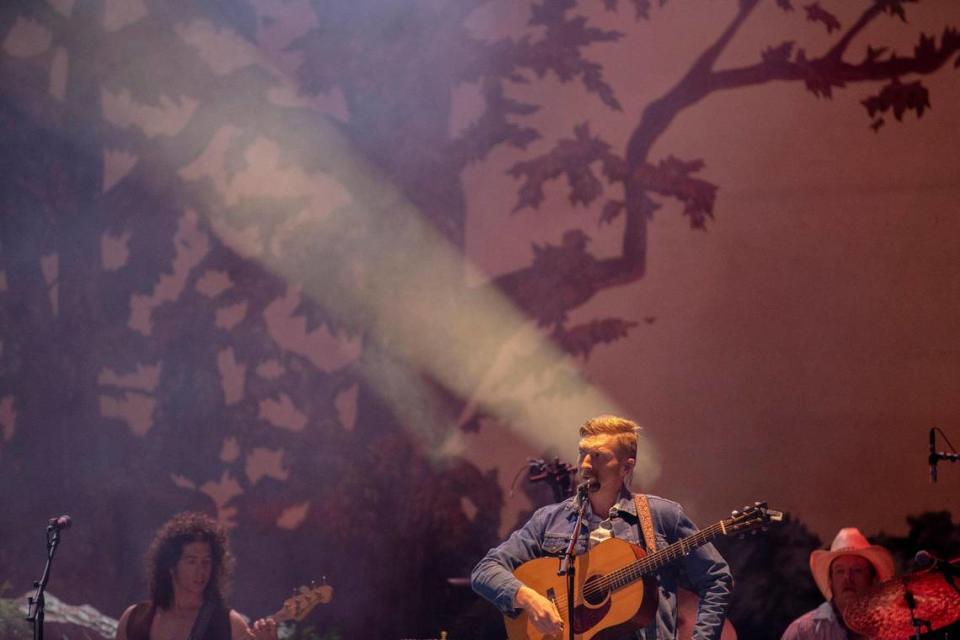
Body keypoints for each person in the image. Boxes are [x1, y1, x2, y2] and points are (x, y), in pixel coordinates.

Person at [471, 415, 733, 639]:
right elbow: (484, 571)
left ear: (626, 466)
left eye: (598, 457)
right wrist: (528, 598)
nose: (585, 465)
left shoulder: (662, 517)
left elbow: (716, 577)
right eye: (582, 453)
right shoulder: (549, 520)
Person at [116, 512, 278, 640]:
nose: (201, 570)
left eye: (206, 562)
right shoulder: (134, 619)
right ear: (171, 566)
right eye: (191, 562)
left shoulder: (228, 625)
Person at [780, 527, 895, 640]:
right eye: (840, 571)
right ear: (831, 580)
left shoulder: (890, 629)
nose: (847, 578)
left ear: (873, 579)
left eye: (857, 570)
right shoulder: (803, 632)